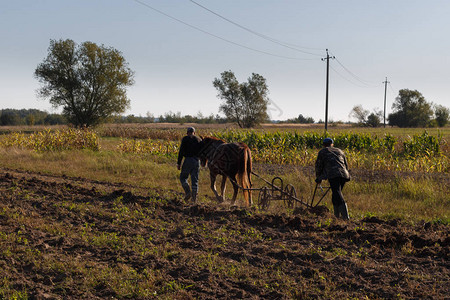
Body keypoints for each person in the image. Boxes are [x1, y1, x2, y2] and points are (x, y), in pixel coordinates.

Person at [315, 137, 351, 220]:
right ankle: (336, 217)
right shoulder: (339, 151)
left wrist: (318, 177)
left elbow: (319, 166)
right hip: (344, 174)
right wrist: (347, 173)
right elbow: (345, 164)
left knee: (337, 193)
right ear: (332, 144)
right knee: (336, 194)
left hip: (333, 174)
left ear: (324, 145)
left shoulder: (322, 152)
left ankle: (345, 217)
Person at [177, 127, 202, 203]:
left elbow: (181, 152)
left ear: (187, 132)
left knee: (183, 177)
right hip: (197, 161)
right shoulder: (199, 140)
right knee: (195, 180)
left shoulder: (185, 139)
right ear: (194, 132)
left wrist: (179, 163)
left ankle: (188, 192)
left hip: (188, 160)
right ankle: (194, 199)